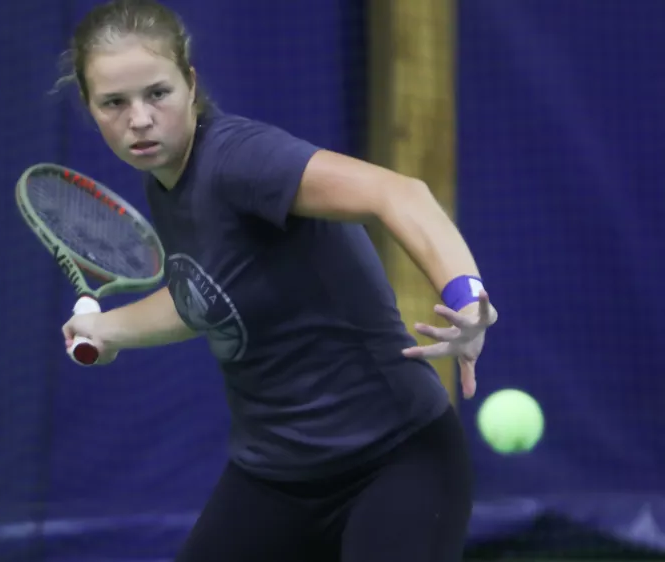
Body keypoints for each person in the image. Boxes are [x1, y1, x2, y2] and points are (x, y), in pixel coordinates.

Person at [58, 1, 496, 560]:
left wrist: (467, 296)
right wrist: (109, 328)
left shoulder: (242, 159)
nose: (139, 118)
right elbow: (205, 296)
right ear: (89, 107)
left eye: (157, 93)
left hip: (395, 461)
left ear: (190, 85)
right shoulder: (165, 184)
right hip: (274, 477)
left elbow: (399, 193)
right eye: (114, 103)